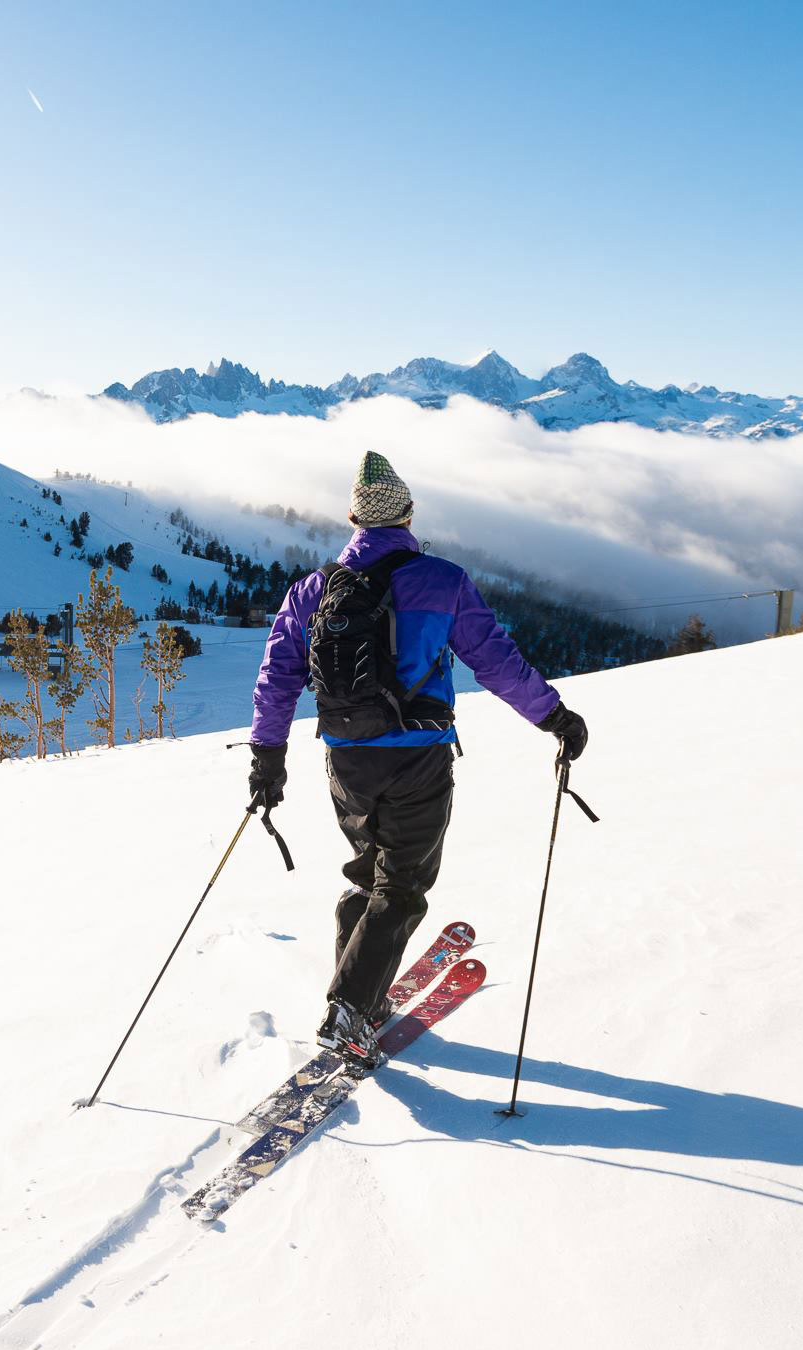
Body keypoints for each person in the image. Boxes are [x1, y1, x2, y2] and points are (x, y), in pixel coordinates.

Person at [246, 451, 588, 1066]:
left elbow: (277, 679)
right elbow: (496, 661)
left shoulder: (313, 590)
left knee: (366, 871)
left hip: (346, 760)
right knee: (402, 885)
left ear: (354, 518)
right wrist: (554, 717)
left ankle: (363, 1001)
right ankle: (349, 1007)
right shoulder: (443, 581)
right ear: (406, 514)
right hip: (417, 757)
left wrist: (267, 759)